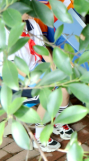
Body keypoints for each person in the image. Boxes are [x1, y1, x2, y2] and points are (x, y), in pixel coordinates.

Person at [0, 16, 76, 151]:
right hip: (14, 76)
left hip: (36, 67)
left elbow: (42, 49)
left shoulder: (31, 22)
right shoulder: (5, 31)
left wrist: (53, 69)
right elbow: (12, 65)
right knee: (46, 93)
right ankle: (39, 137)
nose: (30, 6)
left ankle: (59, 122)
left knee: (64, 86)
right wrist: (33, 79)